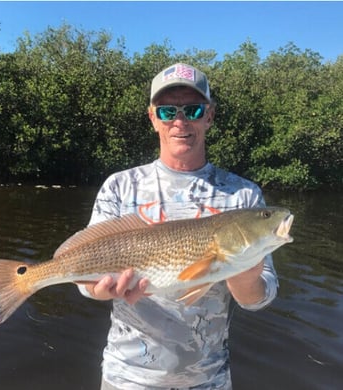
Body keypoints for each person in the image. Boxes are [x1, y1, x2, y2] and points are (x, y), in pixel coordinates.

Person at [76, 63, 278, 390]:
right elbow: (84, 280)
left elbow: (258, 299)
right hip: (127, 378)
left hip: (208, 379)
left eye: (193, 110)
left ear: (209, 116)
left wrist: (243, 272)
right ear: (153, 118)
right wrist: (96, 290)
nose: (180, 121)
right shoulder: (119, 186)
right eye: (168, 111)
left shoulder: (243, 196)